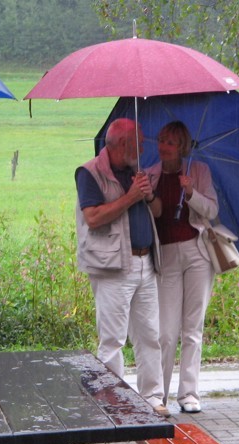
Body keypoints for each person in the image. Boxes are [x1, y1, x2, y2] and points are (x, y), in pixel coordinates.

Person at [75, 118, 169, 417]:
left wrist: (149, 194)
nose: (143, 149)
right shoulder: (89, 173)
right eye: (138, 144)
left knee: (150, 335)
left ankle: (152, 397)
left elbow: (157, 212)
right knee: (113, 339)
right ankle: (111, 401)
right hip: (113, 266)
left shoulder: (136, 172)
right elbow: (93, 218)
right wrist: (130, 197)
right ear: (120, 144)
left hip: (146, 262)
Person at [146, 121, 218, 413]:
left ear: (183, 147)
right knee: (165, 331)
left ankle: (189, 394)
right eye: (161, 140)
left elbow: (212, 211)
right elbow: (149, 214)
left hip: (197, 252)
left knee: (192, 327)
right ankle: (158, 394)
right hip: (165, 255)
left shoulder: (198, 171)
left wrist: (191, 194)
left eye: (171, 142)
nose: (164, 147)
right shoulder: (149, 174)